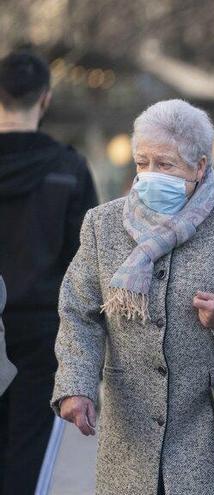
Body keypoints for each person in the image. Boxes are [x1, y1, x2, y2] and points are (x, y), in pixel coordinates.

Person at [51, 99, 214, 494]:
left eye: (164, 164)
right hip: (130, 435)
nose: (149, 174)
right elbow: (79, 311)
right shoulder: (103, 225)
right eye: (142, 162)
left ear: (200, 166)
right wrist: (76, 383)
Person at [0, 50, 97, 494]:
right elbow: (86, 267)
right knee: (28, 461)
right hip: (43, 340)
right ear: (46, 98)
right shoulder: (68, 169)